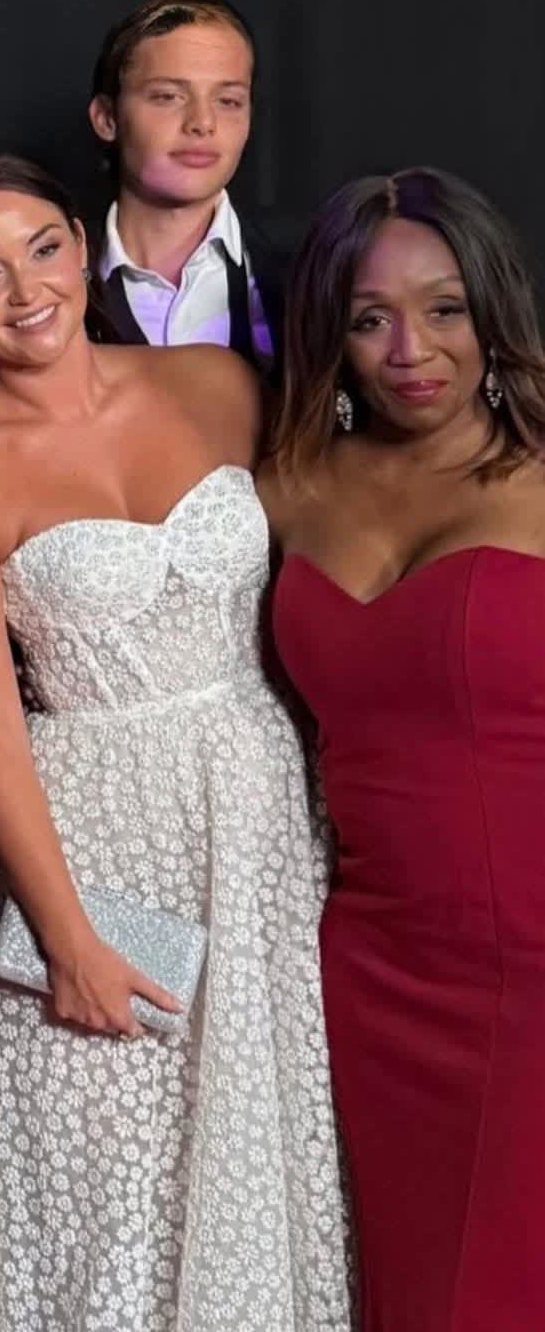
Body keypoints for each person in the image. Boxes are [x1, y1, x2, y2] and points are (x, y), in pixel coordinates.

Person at [0, 152, 351, 1331]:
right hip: (88, 848)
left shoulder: (217, 382)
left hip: (257, 828)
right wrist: (68, 937)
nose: (27, 290)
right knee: (107, 1206)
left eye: (44, 248)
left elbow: (330, 563)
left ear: (79, 241)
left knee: (255, 1161)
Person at [262, 167, 545, 1332]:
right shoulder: (286, 485)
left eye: (444, 309)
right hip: (369, 968)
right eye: (369, 318)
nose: (410, 350)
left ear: (494, 311)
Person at [87, 0, 287, 370]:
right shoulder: (51, 284)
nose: (203, 123)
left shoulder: (301, 275)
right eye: (168, 96)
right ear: (107, 118)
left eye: (228, 101)